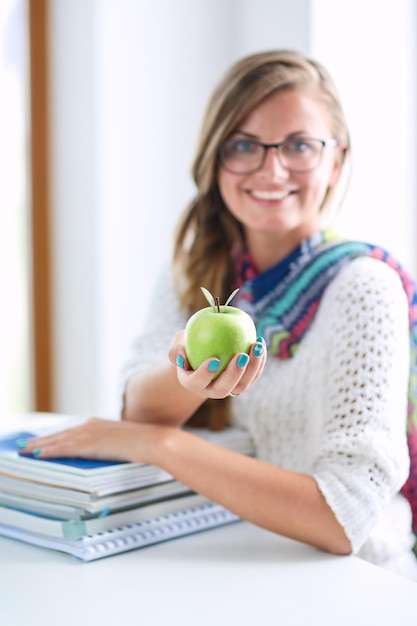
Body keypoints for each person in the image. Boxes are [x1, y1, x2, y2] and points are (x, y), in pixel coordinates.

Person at [21, 50, 417, 579]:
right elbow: (138, 411)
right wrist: (185, 380)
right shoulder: (194, 275)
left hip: (353, 585)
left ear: (336, 160)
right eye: (245, 145)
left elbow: (344, 519)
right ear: (217, 158)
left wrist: (159, 445)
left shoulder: (365, 287)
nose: (272, 169)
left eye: (299, 145)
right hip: (235, 562)